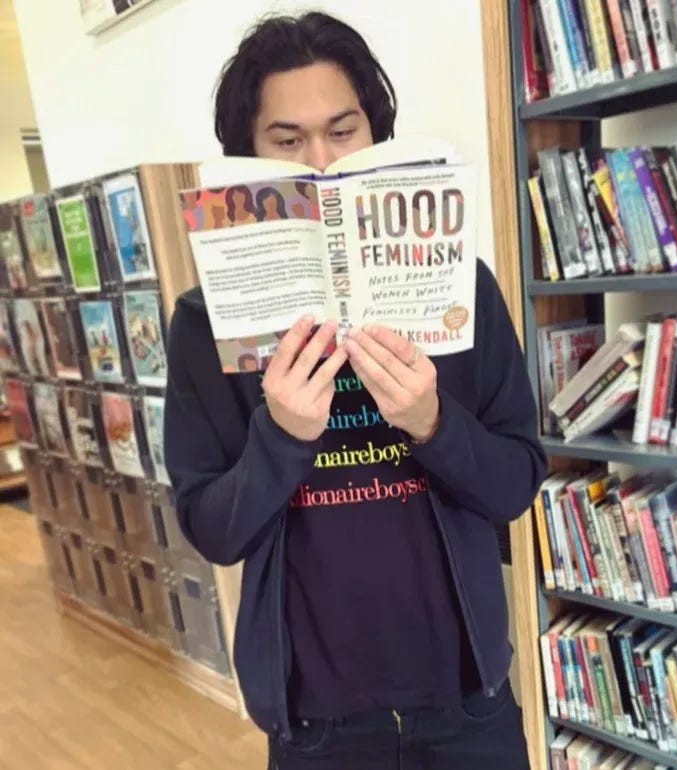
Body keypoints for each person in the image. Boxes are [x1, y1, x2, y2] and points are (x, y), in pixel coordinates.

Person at [164, 11, 546, 770]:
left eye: (343, 131)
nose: (320, 161)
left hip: (468, 706)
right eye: (287, 140)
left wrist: (433, 423)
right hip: (318, 726)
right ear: (247, 157)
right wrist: (280, 438)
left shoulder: (462, 291)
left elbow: (515, 486)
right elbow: (214, 532)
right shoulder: (205, 323)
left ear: (378, 135)